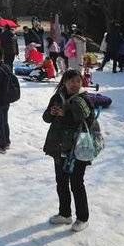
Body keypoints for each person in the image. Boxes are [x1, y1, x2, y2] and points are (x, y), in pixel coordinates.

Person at [42, 69, 95, 232]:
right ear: (64, 82)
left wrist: (65, 113)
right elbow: (46, 118)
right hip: (59, 147)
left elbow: (88, 118)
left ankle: (83, 218)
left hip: (77, 149)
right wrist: (51, 113)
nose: (74, 84)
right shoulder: (58, 97)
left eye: (77, 81)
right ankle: (65, 214)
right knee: (62, 182)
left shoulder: (83, 99)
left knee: (77, 183)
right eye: (71, 81)